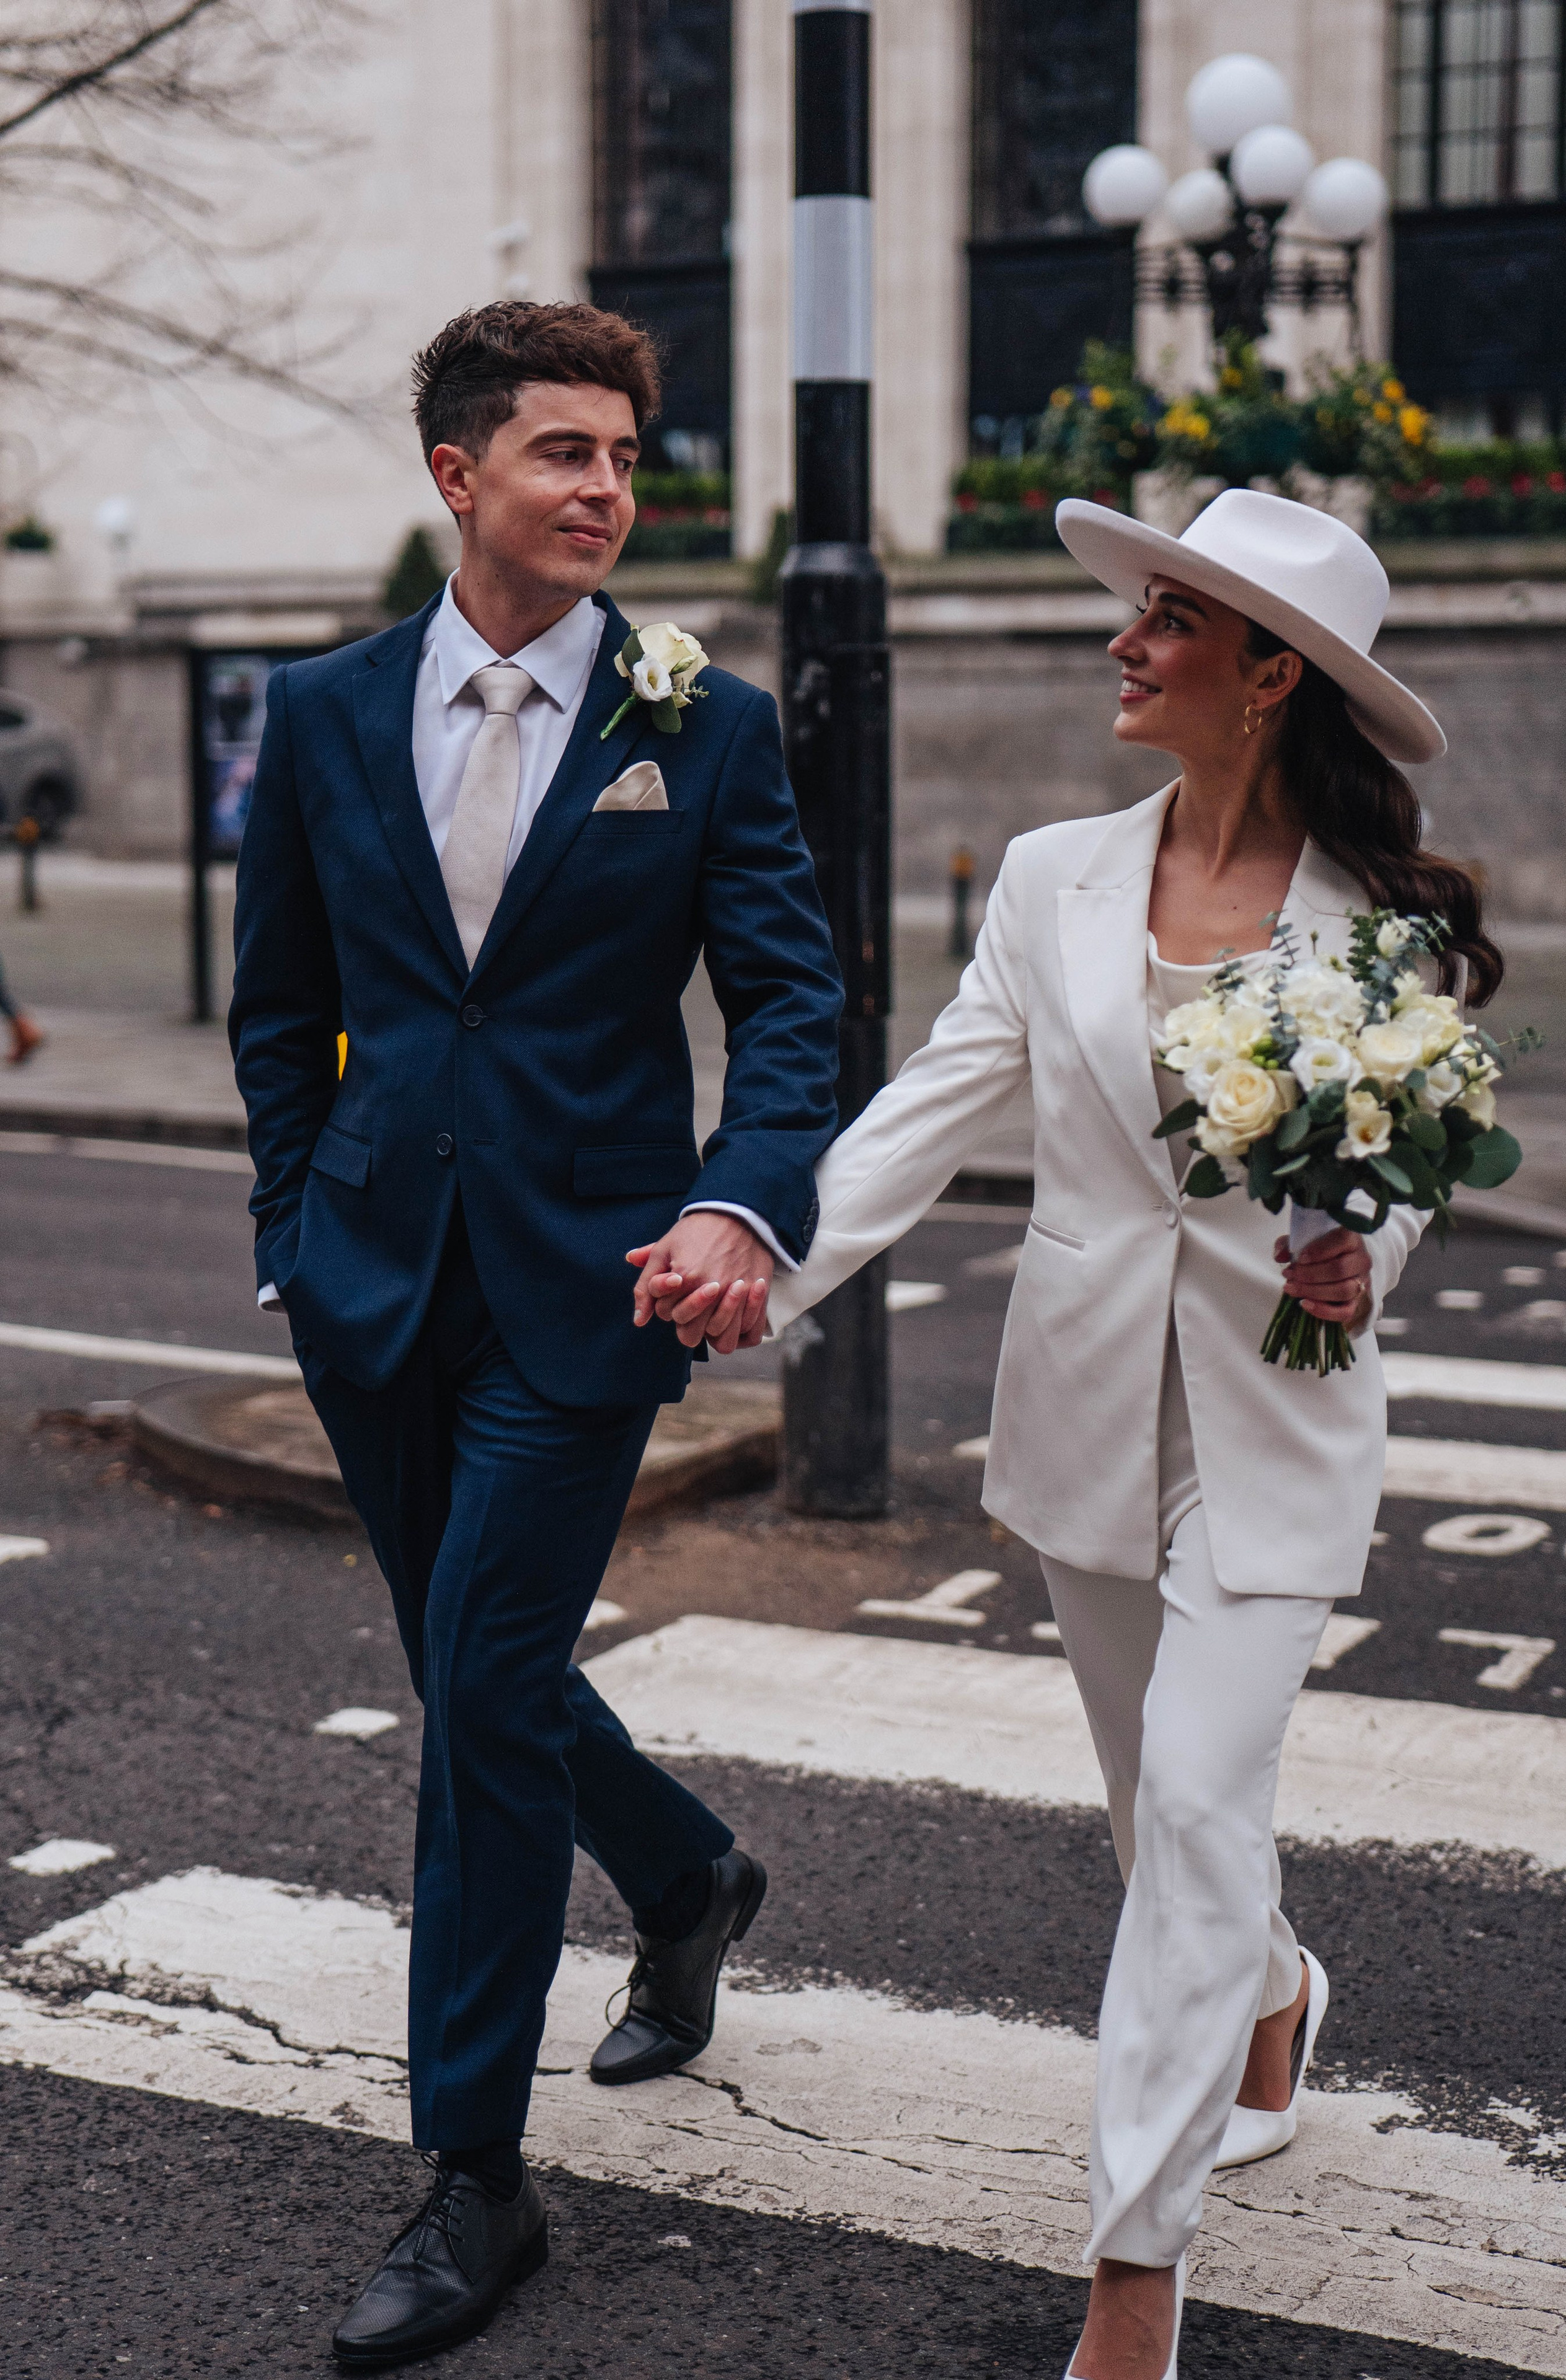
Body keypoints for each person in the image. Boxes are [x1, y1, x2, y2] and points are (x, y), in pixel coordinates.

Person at [764, 489, 1503, 2380]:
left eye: (1167, 616)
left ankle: (1132, 2276)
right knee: (1149, 1811)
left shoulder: (1387, 930)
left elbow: (1393, 1183)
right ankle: (1270, 1989)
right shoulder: (1049, 879)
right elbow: (930, 1107)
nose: (1124, 639)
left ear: (1270, 675)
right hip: (1089, 1410)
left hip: (1281, 1422)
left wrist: (1362, 1259)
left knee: (1192, 1794)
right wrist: (765, 1270)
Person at [229, 301, 843, 2371]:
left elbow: (789, 1008)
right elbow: (275, 999)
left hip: (592, 1286)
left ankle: (473, 2174)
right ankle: (686, 1876)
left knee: (480, 1689)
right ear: (457, 477)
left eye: (623, 458)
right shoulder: (320, 714)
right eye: (563, 453)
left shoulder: (708, 721)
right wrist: (286, 1229)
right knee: (469, 1662)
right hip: (371, 1277)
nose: (604, 490)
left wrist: (739, 1201)